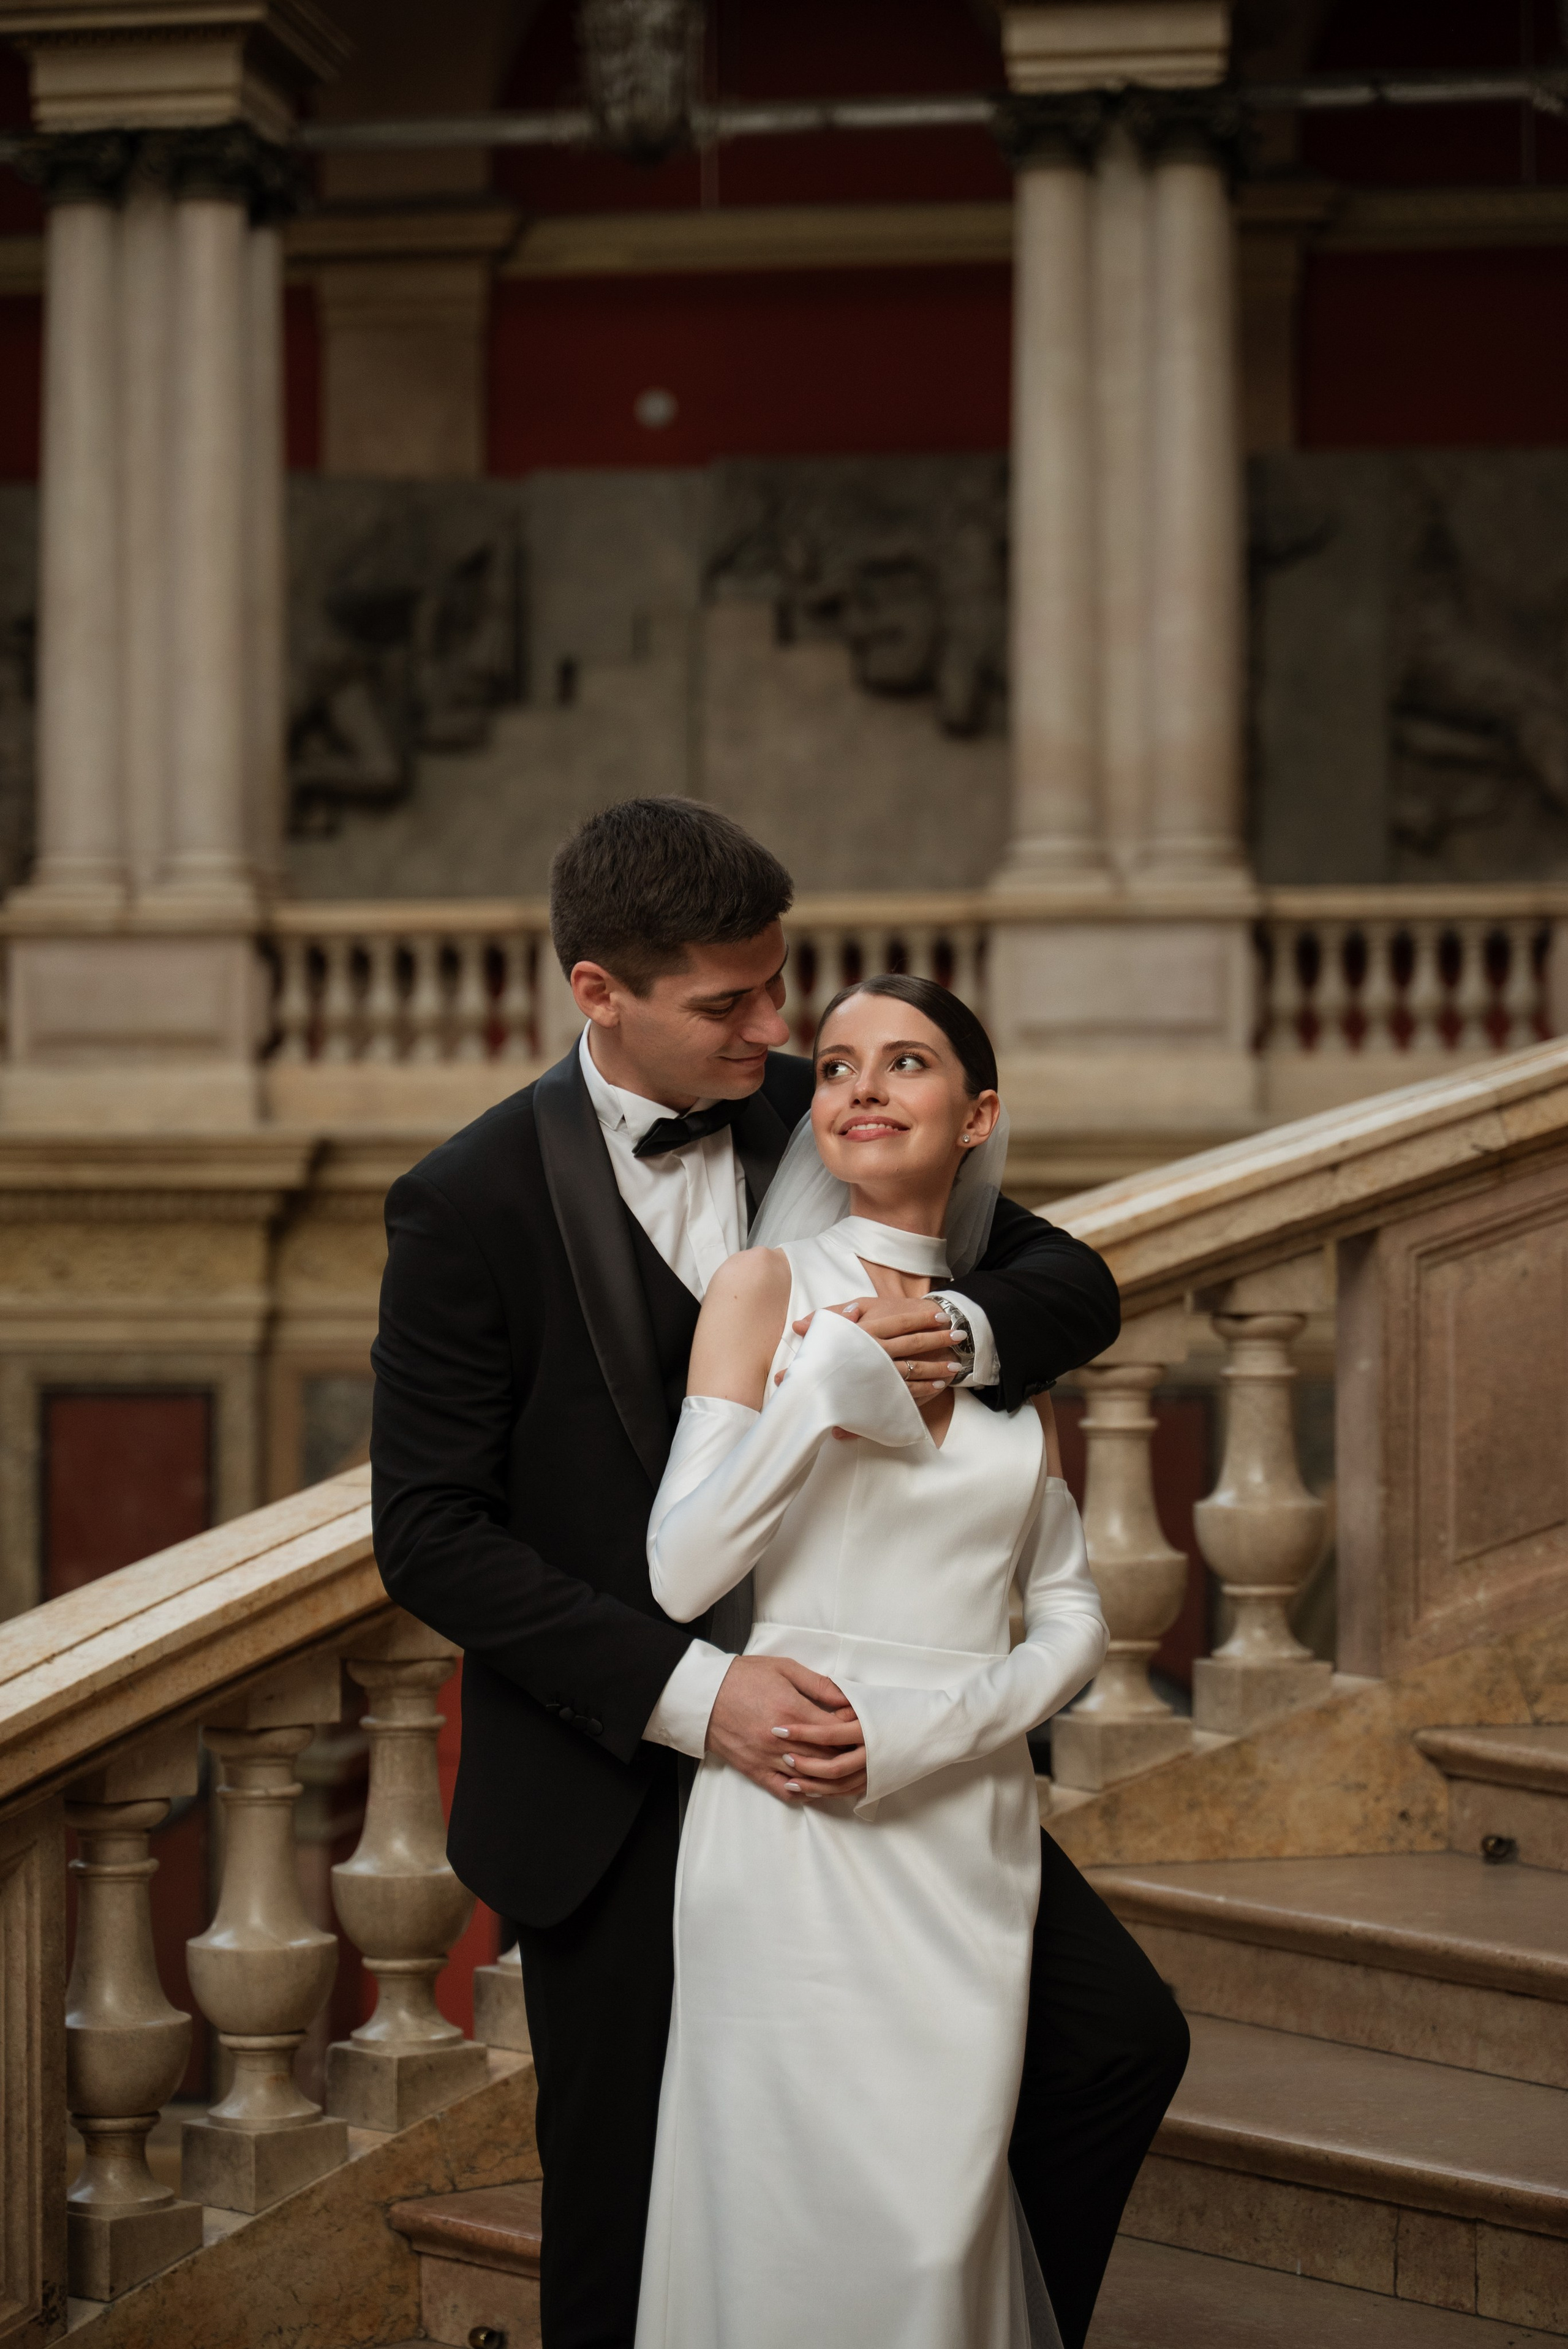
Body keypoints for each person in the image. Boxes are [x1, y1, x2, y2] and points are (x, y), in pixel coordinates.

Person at [370, 797, 1186, 2349]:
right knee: (626, 2221)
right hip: (618, 1771)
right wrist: (701, 1698)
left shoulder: (822, 1107)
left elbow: (1066, 1279)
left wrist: (956, 1336)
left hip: (877, 1744)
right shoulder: (465, 1202)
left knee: (1108, 2048)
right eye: (726, 1003)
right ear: (598, 991)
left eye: (778, 985)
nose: (776, 1029)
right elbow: (427, 1532)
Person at [638, 972, 1107, 2349]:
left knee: (935, 2226)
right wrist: (818, 1400)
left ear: (978, 1116)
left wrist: (933, 1732)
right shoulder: (765, 1286)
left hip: (963, 1823)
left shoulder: (1000, 1328)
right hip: (791, 1815)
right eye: (837, 1064)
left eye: (906, 1063)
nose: (859, 1087)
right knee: (791, 2217)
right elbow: (679, 1573)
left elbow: (1070, 1611)